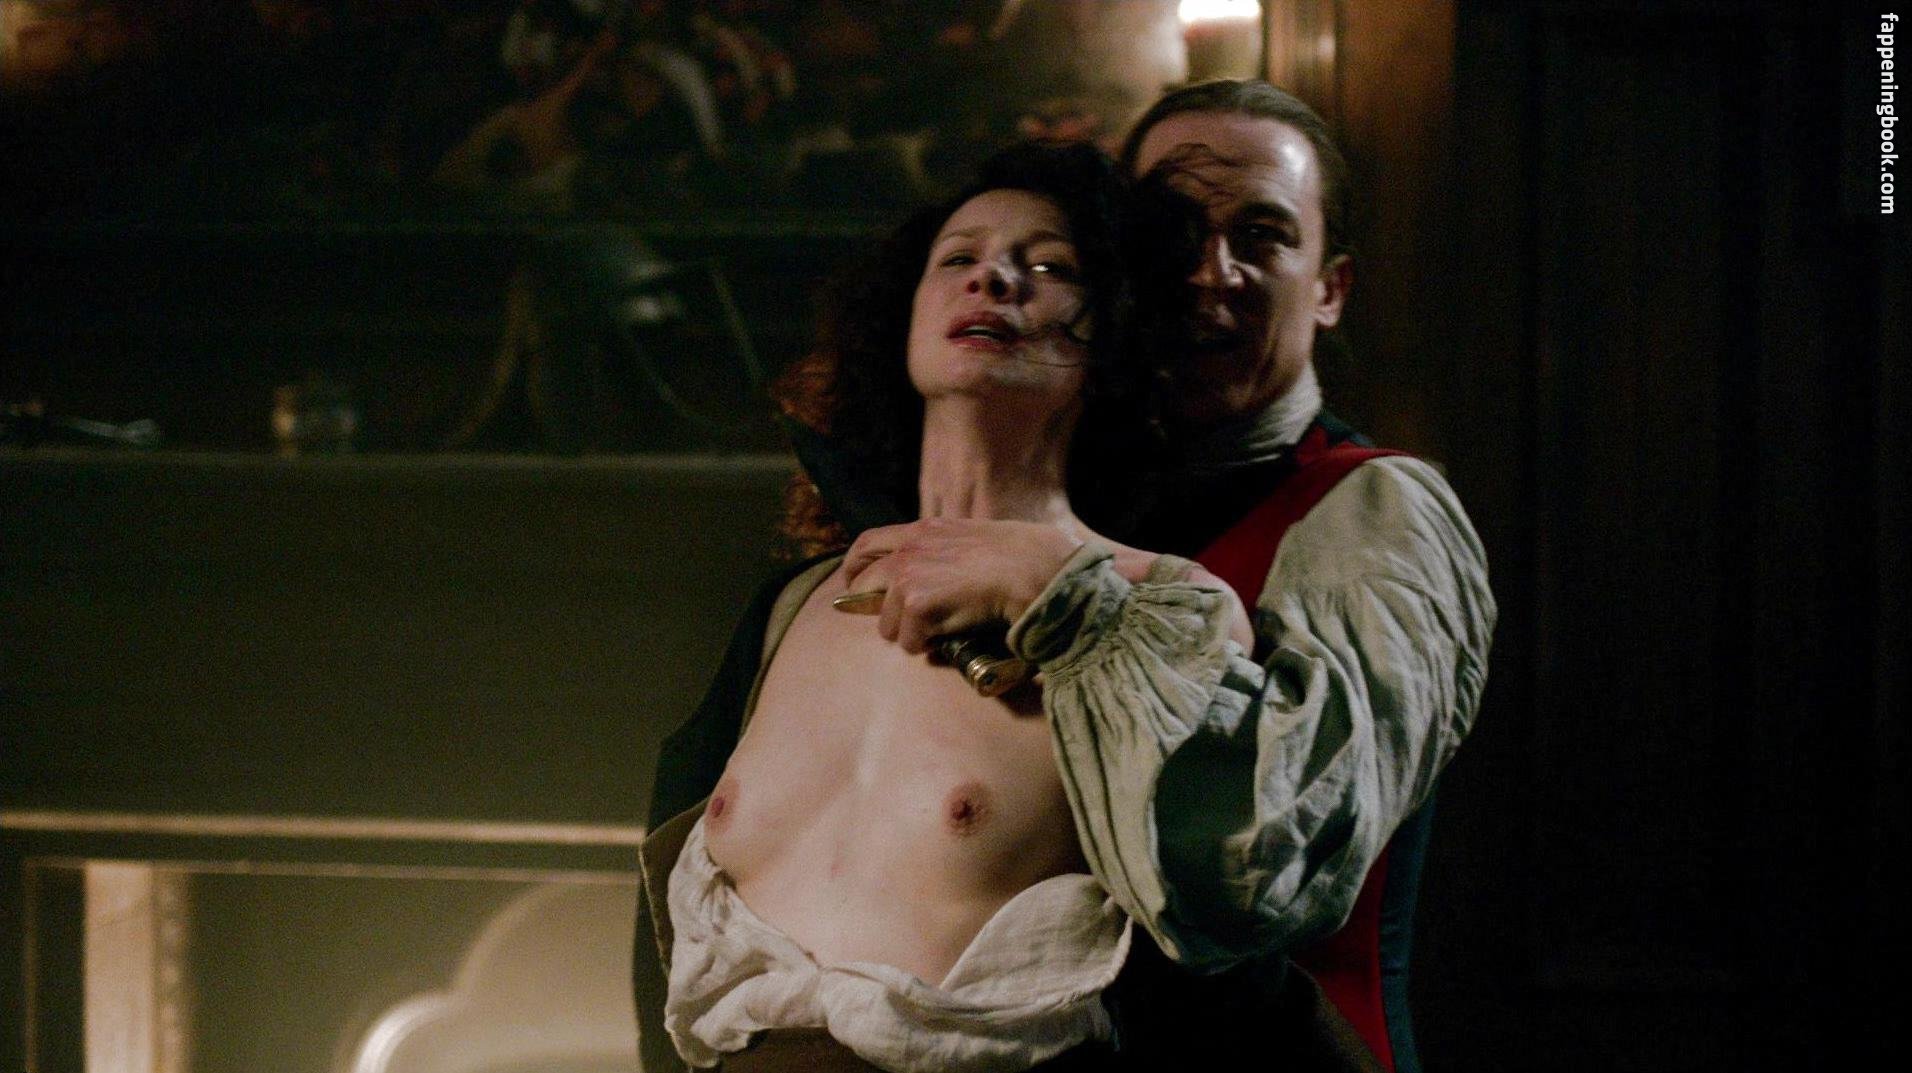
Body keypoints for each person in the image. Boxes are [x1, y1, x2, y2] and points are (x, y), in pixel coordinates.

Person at [633, 142, 1375, 1072]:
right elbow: (661, 942)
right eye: (959, 257)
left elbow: (1234, 899)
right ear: (904, 316)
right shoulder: (795, 606)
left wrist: (1066, 598)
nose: (994, 277)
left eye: (1050, 267)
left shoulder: (1159, 602)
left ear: (1113, 332)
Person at [836, 81, 1495, 1072]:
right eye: (1176, 232)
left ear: (1329, 288)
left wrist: (1073, 599)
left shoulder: (1368, 507)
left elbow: (1278, 852)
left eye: (1262, 235)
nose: (1209, 271)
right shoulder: (1092, 495)